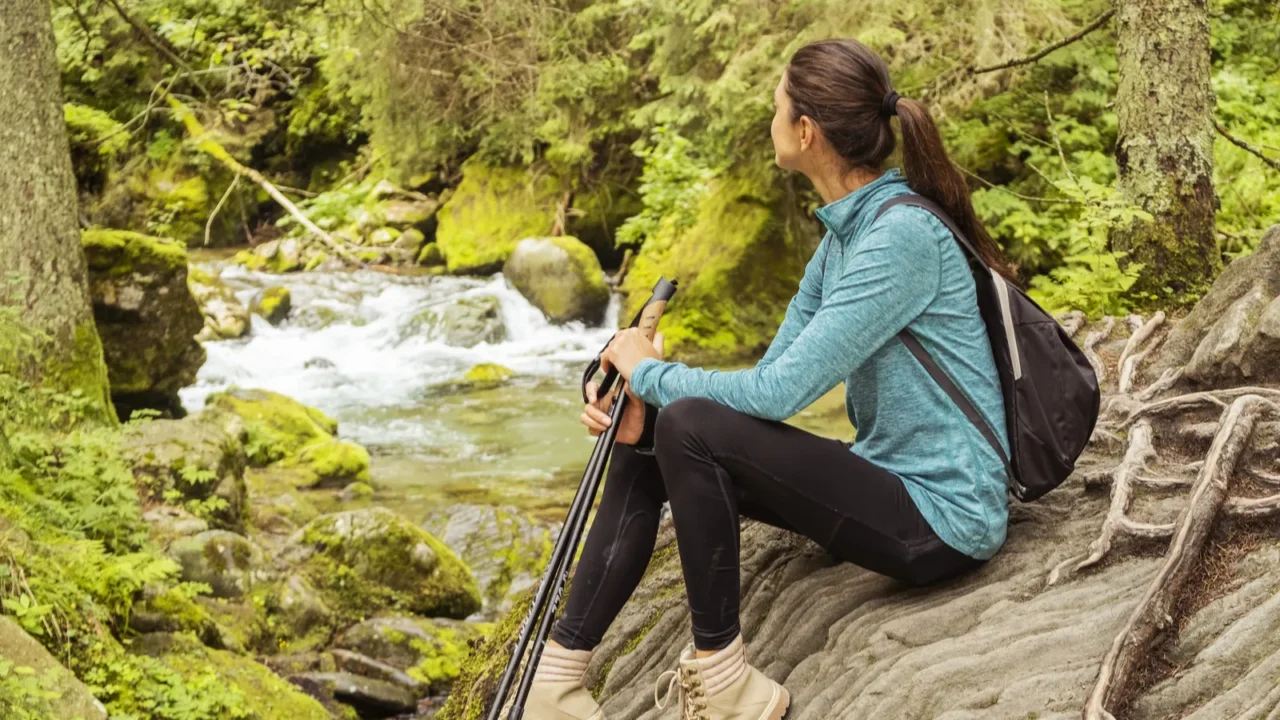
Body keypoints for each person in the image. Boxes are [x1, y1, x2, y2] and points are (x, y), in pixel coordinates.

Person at [523, 37, 1014, 720]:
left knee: (685, 417)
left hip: (944, 520)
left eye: (777, 108)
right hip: (889, 478)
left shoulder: (899, 239)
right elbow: (767, 381)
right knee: (657, 428)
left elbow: (777, 399)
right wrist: (647, 396)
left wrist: (652, 369)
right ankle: (555, 681)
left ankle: (725, 685)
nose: (771, 120)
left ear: (806, 132)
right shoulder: (846, 237)